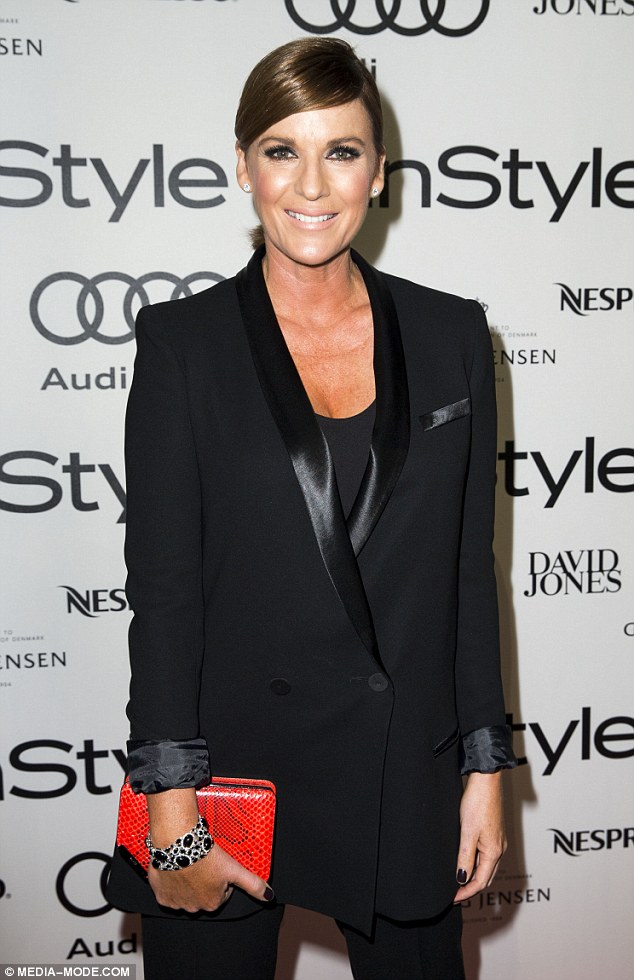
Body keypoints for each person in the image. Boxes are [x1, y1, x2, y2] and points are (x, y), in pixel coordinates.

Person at [106, 37, 517, 980]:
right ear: (242, 165)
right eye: (282, 150)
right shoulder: (182, 345)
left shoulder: (452, 332)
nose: (312, 184)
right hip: (229, 781)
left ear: (379, 172)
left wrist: (485, 768)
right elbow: (163, 594)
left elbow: (467, 574)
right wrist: (171, 813)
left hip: (404, 769)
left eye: (342, 151)